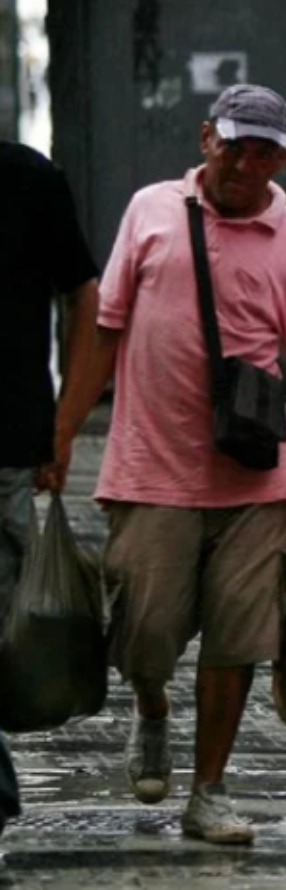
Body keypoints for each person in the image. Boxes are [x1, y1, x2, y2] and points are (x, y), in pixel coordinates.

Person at [55, 83, 286, 846]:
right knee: (146, 631)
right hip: (148, 469)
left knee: (238, 636)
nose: (245, 163)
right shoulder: (150, 211)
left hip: (257, 476)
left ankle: (209, 791)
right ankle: (152, 704)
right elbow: (106, 328)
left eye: (263, 151)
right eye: (234, 145)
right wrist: (61, 432)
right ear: (206, 139)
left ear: (282, 158)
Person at [0, 142, 100, 837]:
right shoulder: (31, 177)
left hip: (7, 443)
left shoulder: (30, 180)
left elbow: (84, 295)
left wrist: (65, 425)